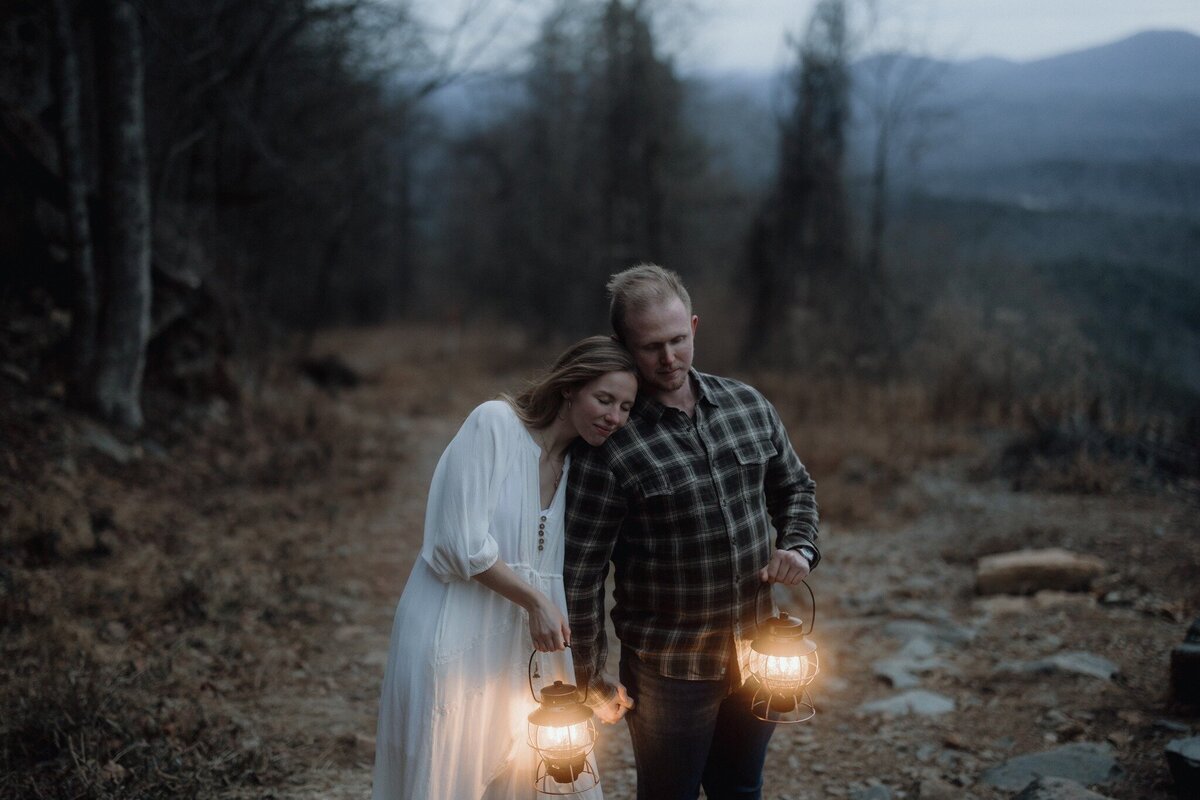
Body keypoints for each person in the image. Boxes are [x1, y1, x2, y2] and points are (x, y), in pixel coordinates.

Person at [565, 264, 820, 800]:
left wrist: (798, 545)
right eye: (651, 345)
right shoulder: (610, 445)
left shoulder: (748, 406)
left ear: (695, 328)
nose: (669, 358)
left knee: (741, 789)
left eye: (679, 339)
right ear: (623, 345)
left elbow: (795, 487)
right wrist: (590, 673)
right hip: (667, 668)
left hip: (760, 653)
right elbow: (582, 573)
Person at [372, 336, 638, 800]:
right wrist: (533, 599)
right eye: (604, 399)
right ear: (570, 388)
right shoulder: (494, 424)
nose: (615, 417)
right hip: (455, 631)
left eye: (626, 407)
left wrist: (588, 676)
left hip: (528, 652)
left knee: (545, 777)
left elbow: (571, 576)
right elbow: (459, 543)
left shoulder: (583, 468)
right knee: (452, 774)